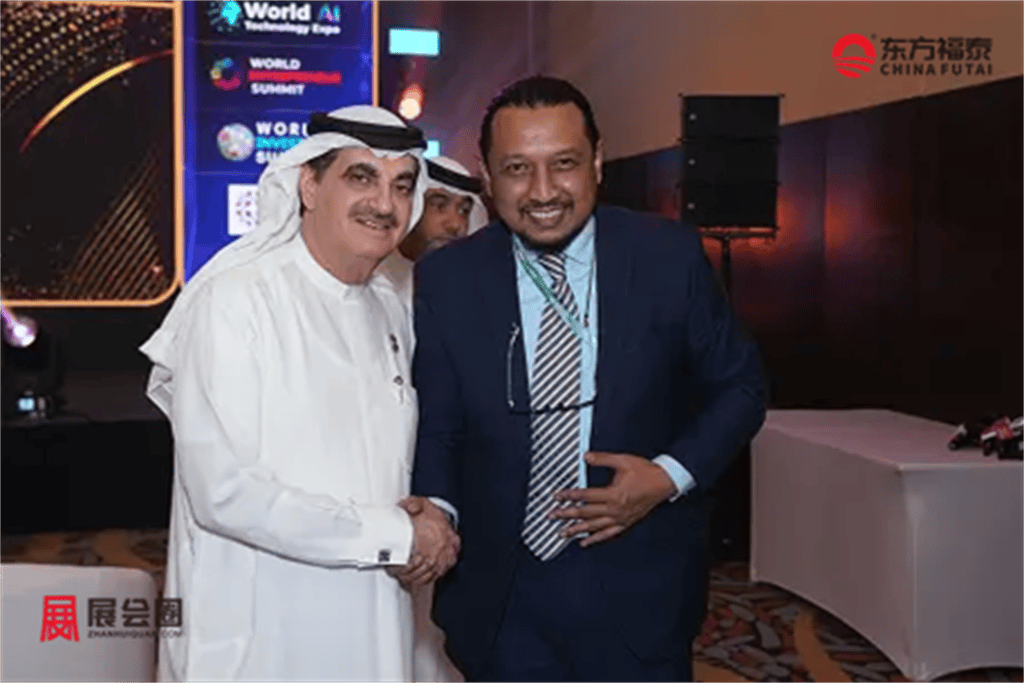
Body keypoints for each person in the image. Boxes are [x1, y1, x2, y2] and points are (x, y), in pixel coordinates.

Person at [409, 76, 767, 682]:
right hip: (500, 598)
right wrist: (436, 515)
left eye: (564, 164)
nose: (543, 191)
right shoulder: (448, 279)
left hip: (640, 584)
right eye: (517, 169)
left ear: (597, 162)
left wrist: (666, 476)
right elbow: (439, 426)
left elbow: (741, 388)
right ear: (487, 177)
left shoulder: (667, 257)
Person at [139, 105, 460, 682]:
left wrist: (426, 517)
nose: (384, 203)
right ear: (308, 185)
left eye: (402, 185)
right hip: (261, 632)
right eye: (361, 177)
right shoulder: (236, 300)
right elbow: (223, 492)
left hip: (376, 619)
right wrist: (392, 534)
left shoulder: (390, 308)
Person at [378, 155, 488, 309]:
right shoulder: (371, 278)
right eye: (439, 205)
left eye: (464, 211)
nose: (456, 225)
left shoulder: (468, 292)